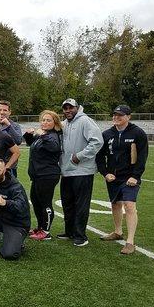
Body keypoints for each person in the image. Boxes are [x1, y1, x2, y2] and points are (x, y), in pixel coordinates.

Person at [96, 105, 148, 255]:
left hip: (130, 177)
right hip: (113, 177)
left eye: (120, 115)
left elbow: (142, 157)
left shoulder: (138, 133)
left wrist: (136, 176)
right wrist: (105, 173)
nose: (116, 117)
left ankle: (130, 242)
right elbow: (99, 157)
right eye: (114, 115)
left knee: (130, 206)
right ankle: (117, 231)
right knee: (115, 205)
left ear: (128, 117)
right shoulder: (106, 134)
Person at [59, 98, 104, 247]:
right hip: (66, 171)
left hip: (82, 171)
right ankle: (70, 231)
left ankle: (80, 235)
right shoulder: (64, 124)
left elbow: (97, 141)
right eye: (65, 108)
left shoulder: (85, 121)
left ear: (77, 108)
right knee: (68, 203)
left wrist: (80, 156)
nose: (68, 111)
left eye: (71, 108)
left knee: (81, 205)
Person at [23, 110, 63, 241]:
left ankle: (46, 231)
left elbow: (54, 147)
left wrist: (43, 136)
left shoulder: (53, 136)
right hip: (38, 175)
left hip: (47, 175)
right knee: (35, 200)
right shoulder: (43, 135)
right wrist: (28, 134)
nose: (45, 122)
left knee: (45, 202)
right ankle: (40, 227)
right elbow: (31, 143)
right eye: (43, 120)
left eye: (48, 120)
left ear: (55, 123)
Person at [0, 100, 23, 177]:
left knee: (10, 188)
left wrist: (8, 126)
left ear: (9, 112)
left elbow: (18, 141)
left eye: (5, 110)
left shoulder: (15, 126)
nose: (2, 112)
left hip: (10, 167)